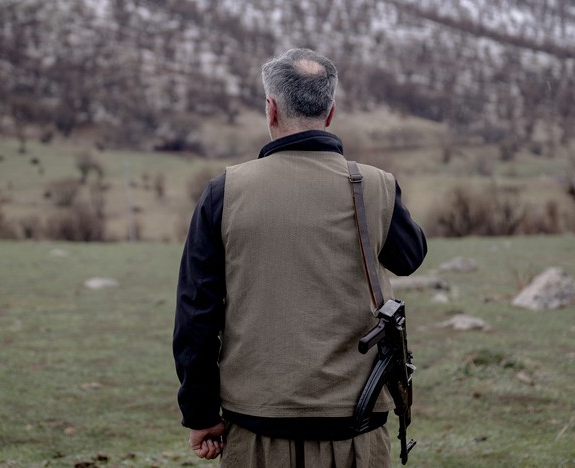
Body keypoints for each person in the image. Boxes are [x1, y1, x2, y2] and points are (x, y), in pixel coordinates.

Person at [173, 48, 427, 467]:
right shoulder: (377, 186)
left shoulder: (224, 191)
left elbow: (196, 315)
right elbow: (410, 257)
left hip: (256, 423)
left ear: (270, 109)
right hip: (357, 425)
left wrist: (199, 413)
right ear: (330, 113)